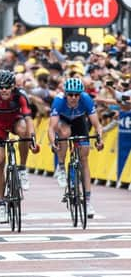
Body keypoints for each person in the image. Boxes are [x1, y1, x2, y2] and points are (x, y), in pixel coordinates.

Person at [0, 70, 39, 224]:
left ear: (13, 87)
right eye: (1, 87)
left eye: (7, 87)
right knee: (0, 161)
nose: (4, 90)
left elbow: (28, 119)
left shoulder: (21, 96)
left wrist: (32, 139)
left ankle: (22, 168)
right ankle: (1, 203)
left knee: (24, 132)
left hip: (15, 121)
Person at [48, 78, 104, 218]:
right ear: (66, 93)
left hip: (79, 121)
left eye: (76, 95)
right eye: (71, 94)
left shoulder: (86, 99)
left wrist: (99, 139)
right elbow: (51, 127)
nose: (73, 98)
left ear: (81, 94)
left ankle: (88, 202)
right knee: (65, 133)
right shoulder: (59, 101)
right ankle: (61, 167)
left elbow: (97, 125)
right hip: (63, 121)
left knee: (84, 158)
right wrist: (53, 141)